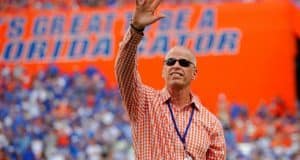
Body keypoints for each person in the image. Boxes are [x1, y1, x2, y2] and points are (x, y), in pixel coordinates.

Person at [115, 0, 226, 159]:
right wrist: (135, 30)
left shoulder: (211, 123)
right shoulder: (143, 102)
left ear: (194, 73)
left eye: (184, 63)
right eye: (170, 62)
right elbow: (123, 70)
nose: (176, 65)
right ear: (163, 70)